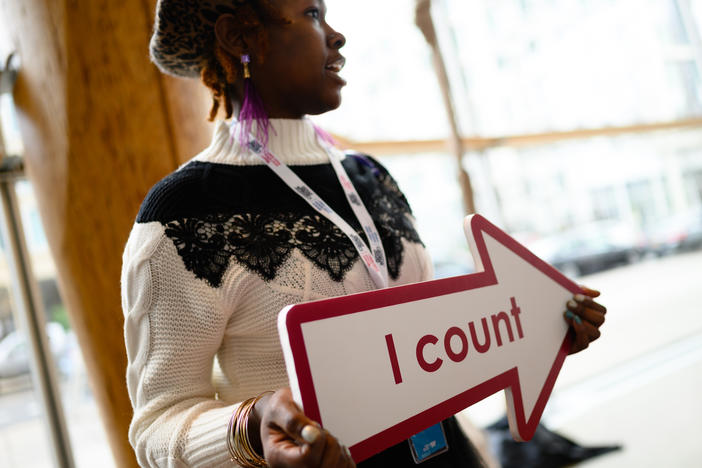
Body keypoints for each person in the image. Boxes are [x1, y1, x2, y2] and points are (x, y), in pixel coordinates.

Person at [121, 1, 607, 467]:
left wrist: (540, 330)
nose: (336, 35)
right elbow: (157, 425)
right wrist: (252, 427)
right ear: (237, 36)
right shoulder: (183, 212)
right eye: (312, 14)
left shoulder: (371, 176)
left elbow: (437, 345)